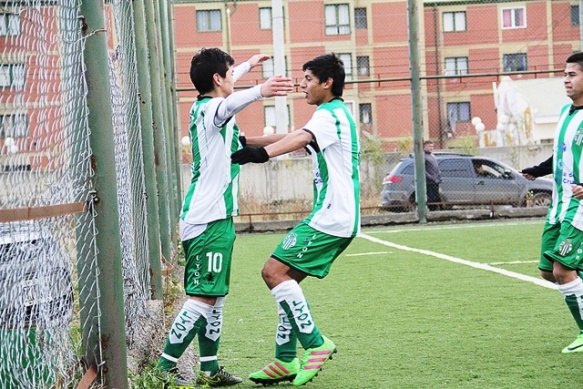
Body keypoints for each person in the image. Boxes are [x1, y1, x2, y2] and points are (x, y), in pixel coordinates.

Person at [156, 48, 293, 387]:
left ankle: (210, 368)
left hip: (215, 218)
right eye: (230, 74)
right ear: (218, 79)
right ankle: (163, 369)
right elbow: (229, 102)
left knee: (215, 296)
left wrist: (247, 65)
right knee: (203, 296)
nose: (235, 78)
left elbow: (229, 99)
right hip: (208, 219)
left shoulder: (207, 107)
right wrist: (261, 90)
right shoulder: (213, 109)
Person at [230, 53, 360, 386]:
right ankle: (285, 360)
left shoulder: (330, 115)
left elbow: (299, 139)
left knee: (272, 272)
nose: (302, 86)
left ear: (327, 83)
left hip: (332, 217)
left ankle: (315, 344)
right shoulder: (328, 116)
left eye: (307, 80)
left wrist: (261, 155)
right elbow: (292, 135)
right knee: (286, 279)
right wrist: (247, 142)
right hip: (335, 215)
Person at [520, 51, 583, 354]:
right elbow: (561, 153)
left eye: (572, 74)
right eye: (565, 74)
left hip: (580, 206)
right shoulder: (565, 112)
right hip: (559, 204)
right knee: (548, 269)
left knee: (562, 270)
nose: (566, 79)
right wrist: (537, 169)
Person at [423, 140, 441, 210]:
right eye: (429, 146)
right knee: (431, 198)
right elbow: (422, 170)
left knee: (437, 197)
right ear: (425, 146)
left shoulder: (432, 155)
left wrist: (438, 176)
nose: (431, 148)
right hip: (429, 182)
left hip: (436, 181)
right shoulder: (423, 156)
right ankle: (432, 211)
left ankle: (436, 211)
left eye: (432, 146)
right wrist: (430, 177)